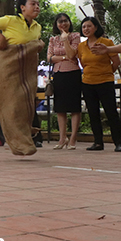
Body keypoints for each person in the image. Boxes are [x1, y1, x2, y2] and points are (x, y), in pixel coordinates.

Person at [0, 0, 44, 156]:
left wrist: (38, 45)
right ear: (22, 7)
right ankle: (19, 144)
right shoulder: (10, 20)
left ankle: (24, 138)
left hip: (26, 72)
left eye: (38, 4)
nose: (37, 7)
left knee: (26, 106)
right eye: (33, 4)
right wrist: (0, 38)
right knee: (11, 106)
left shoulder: (37, 27)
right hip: (8, 68)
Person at [75, 17, 121, 152]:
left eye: (89, 26)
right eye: (84, 27)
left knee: (111, 112)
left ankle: (119, 142)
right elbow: (83, 64)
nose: (86, 29)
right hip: (87, 83)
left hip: (105, 82)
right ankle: (98, 142)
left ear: (96, 27)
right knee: (93, 113)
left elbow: (116, 62)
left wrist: (106, 73)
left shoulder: (106, 43)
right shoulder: (81, 46)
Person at [47, 13, 81, 150]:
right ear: (56, 24)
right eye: (60, 21)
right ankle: (62, 138)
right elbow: (49, 58)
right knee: (60, 108)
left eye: (65, 21)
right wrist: (63, 58)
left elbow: (73, 54)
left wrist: (65, 40)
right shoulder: (52, 39)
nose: (63, 24)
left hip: (73, 73)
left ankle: (73, 138)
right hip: (59, 74)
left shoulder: (75, 36)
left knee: (74, 107)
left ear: (69, 22)